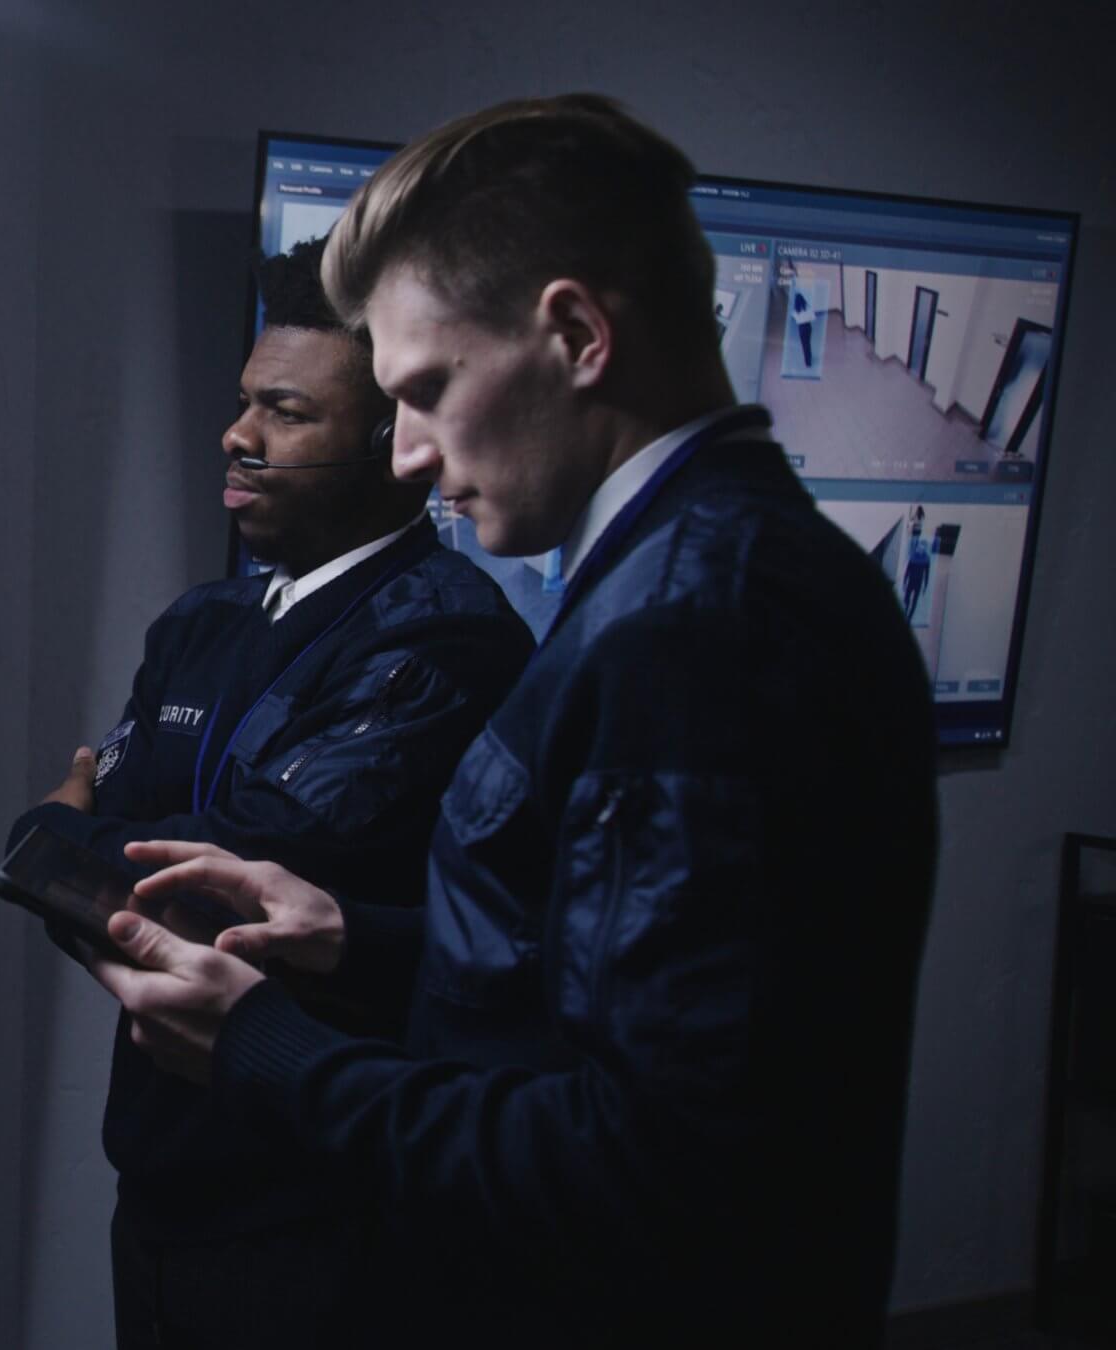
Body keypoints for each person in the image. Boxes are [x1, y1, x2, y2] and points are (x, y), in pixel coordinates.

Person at [85, 95, 935, 1347]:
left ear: (577, 334)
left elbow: (647, 1162)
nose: (411, 455)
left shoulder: (697, 626)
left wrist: (267, 1046)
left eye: (426, 391)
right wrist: (356, 943)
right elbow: (608, 1005)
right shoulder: (695, 578)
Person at [9, 235, 533, 1350]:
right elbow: (95, 870)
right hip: (158, 1181)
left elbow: (198, 887)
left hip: (319, 1202)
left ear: (393, 444)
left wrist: (59, 830)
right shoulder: (201, 620)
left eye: (287, 413)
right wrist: (67, 846)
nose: (236, 436)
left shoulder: (447, 635)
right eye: (245, 402)